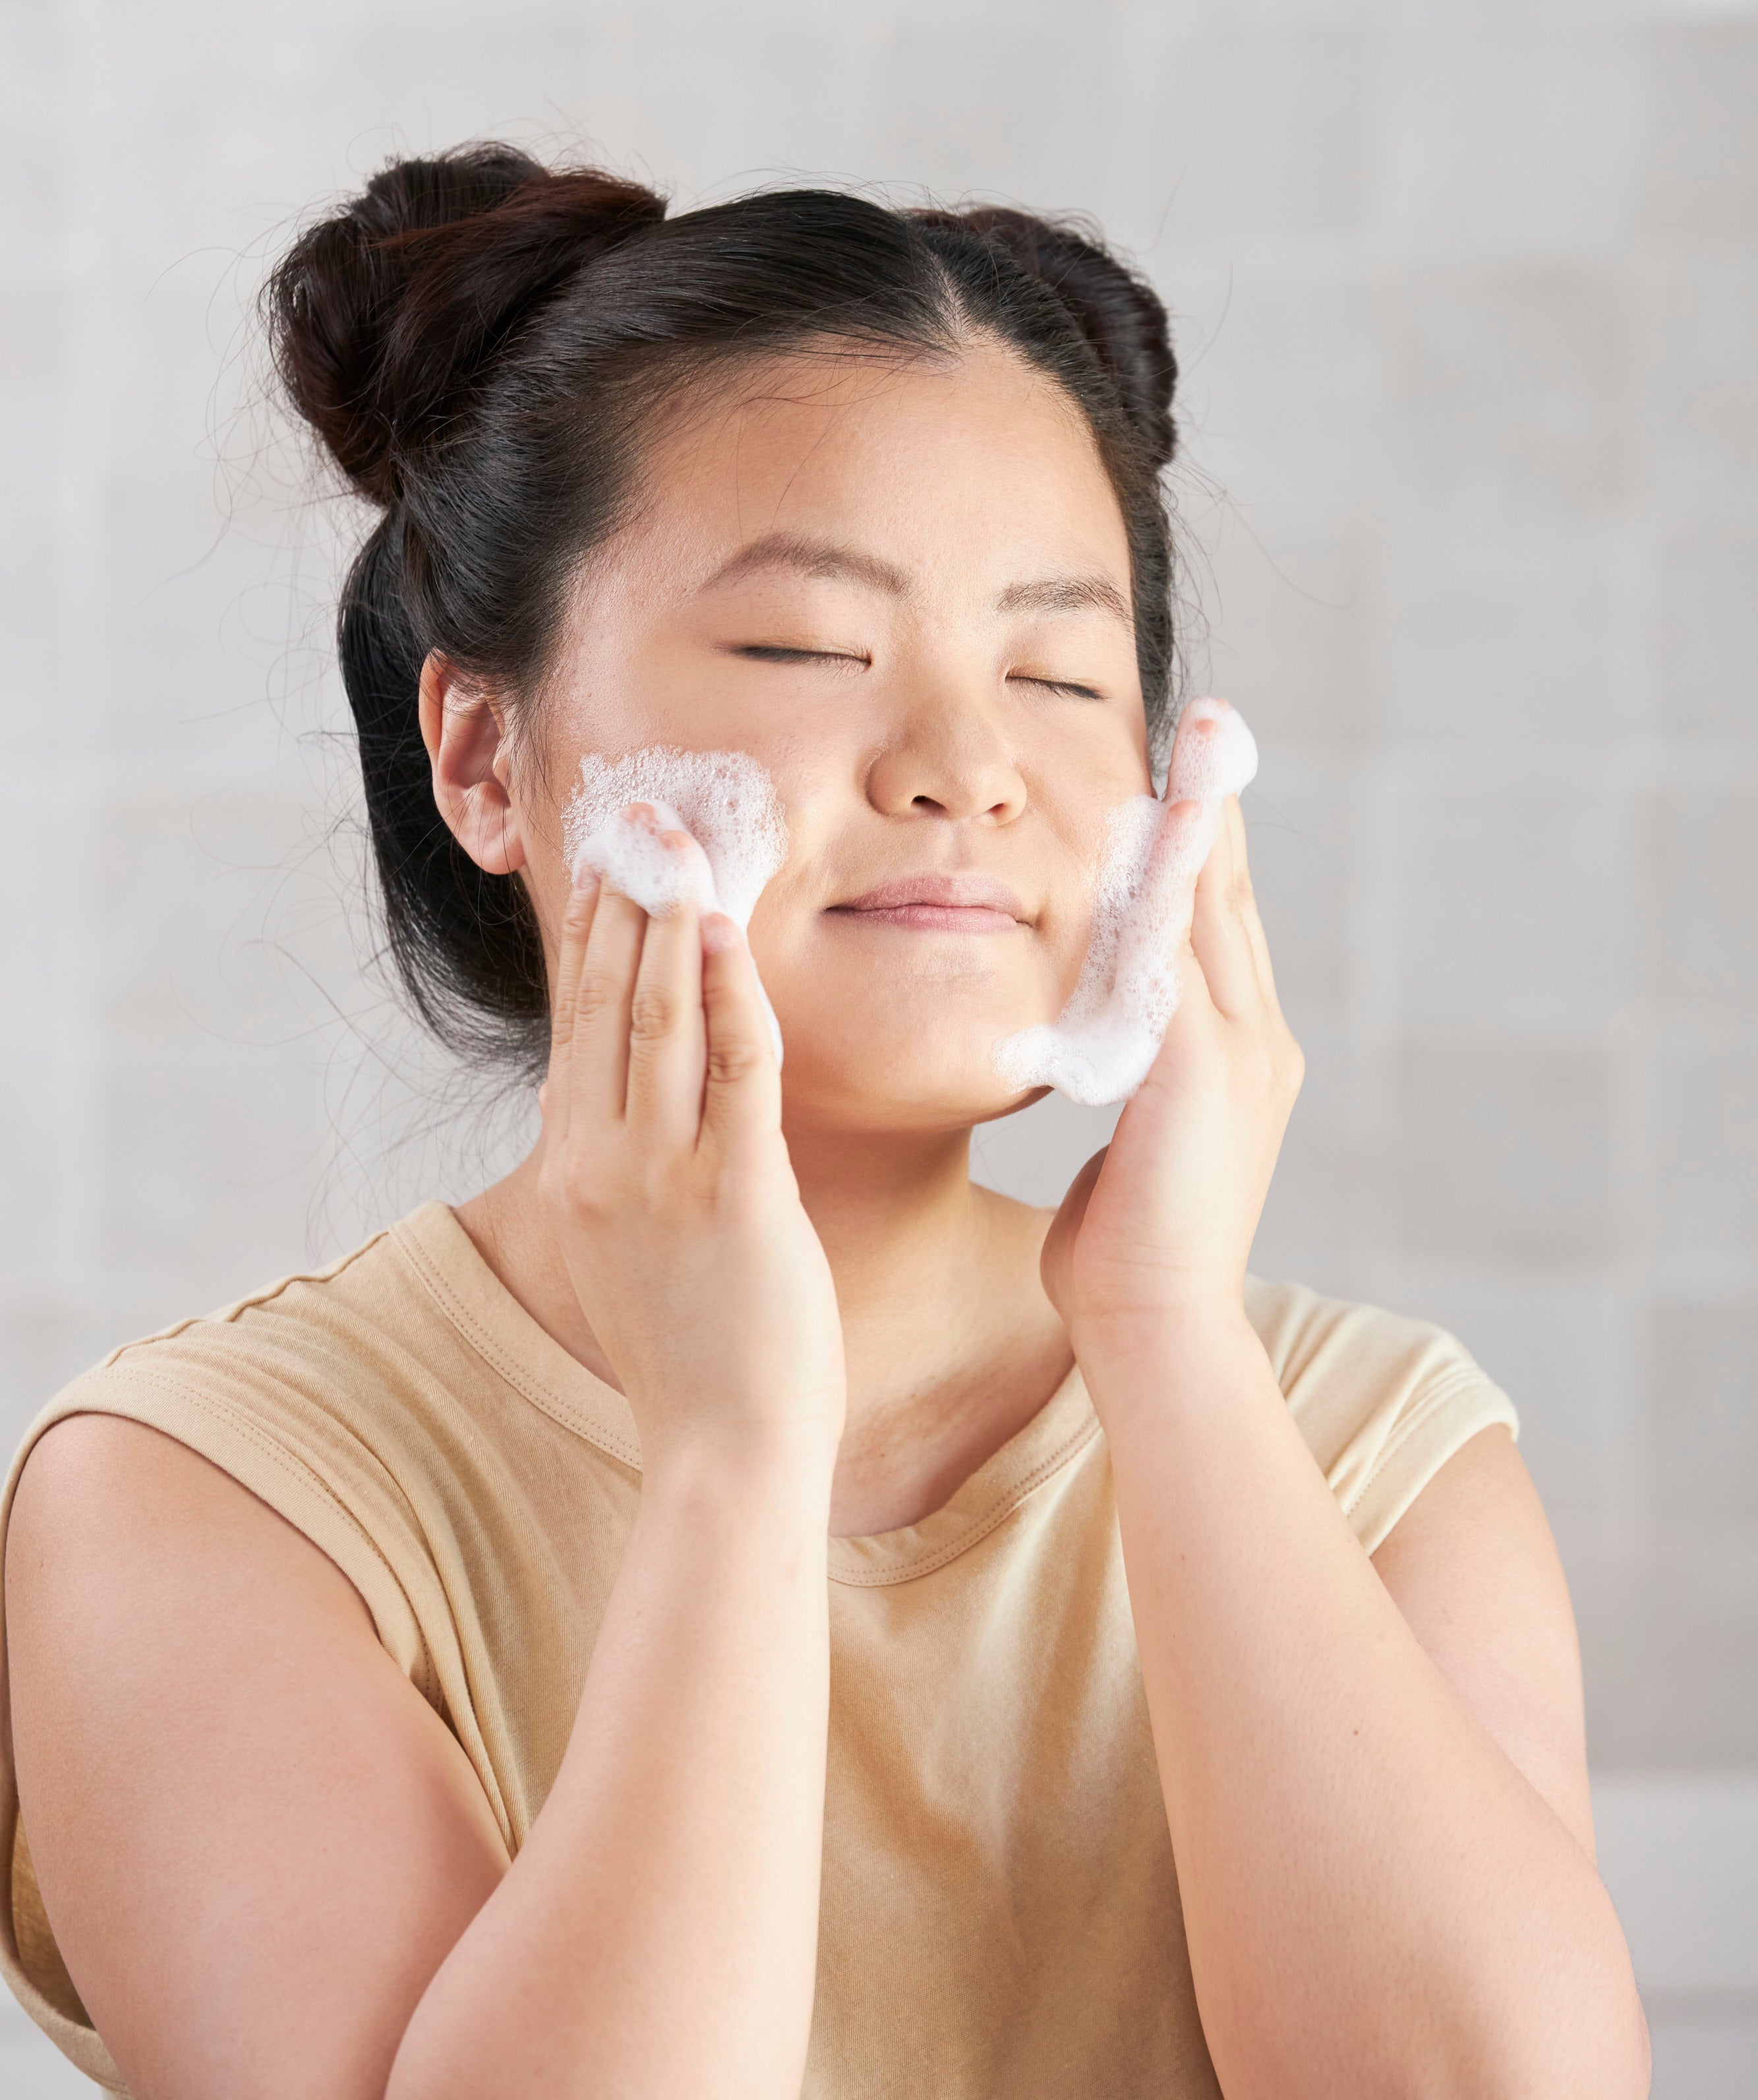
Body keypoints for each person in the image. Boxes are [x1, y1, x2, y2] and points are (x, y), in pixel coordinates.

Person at [0, 150, 1648, 2100]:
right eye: (804, 650)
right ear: (481, 756)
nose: (967, 766)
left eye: (1056, 670)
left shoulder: (1378, 1453)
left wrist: (1170, 1347)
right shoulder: (201, 1501)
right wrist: (729, 1453)